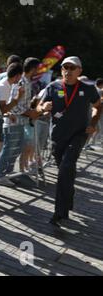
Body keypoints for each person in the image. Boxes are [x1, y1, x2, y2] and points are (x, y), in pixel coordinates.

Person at [38, 56, 101, 227]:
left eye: (72, 68)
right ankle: (69, 193)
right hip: (58, 137)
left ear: (79, 71)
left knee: (65, 168)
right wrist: (43, 108)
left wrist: (93, 123)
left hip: (79, 135)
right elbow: (39, 106)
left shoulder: (88, 89)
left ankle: (59, 213)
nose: (68, 71)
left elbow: (98, 105)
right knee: (66, 171)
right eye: (65, 67)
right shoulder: (53, 87)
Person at [0, 57, 41, 185]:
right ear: (32, 68)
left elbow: (21, 103)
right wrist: (30, 112)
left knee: (17, 147)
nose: (39, 71)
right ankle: (1, 173)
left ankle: (8, 172)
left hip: (20, 121)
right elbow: (13, 103)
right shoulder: (21, 82)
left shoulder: (26, 81)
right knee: (9, 147)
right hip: (13, 120)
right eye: (37, 68)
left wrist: (31, 109)